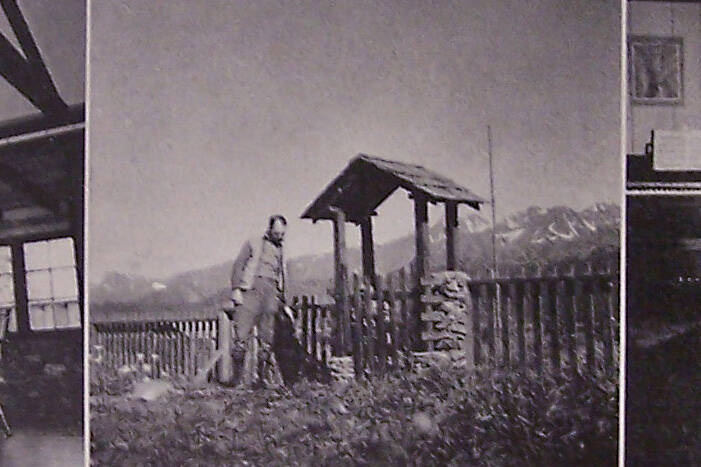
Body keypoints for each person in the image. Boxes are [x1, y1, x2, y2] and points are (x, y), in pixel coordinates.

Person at [229, 215, 288, 388]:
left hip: (271, 292)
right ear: (270, 229)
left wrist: (283, 298)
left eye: (282, 234)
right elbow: (238, 265)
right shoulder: (253, 243)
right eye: (276, 233)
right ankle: (238, 380)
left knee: (266, 337)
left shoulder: (281, 250)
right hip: (251, 290)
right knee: (241, 335)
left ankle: (261, 380)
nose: (279, 236)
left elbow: (283, 275)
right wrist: (236, 289)